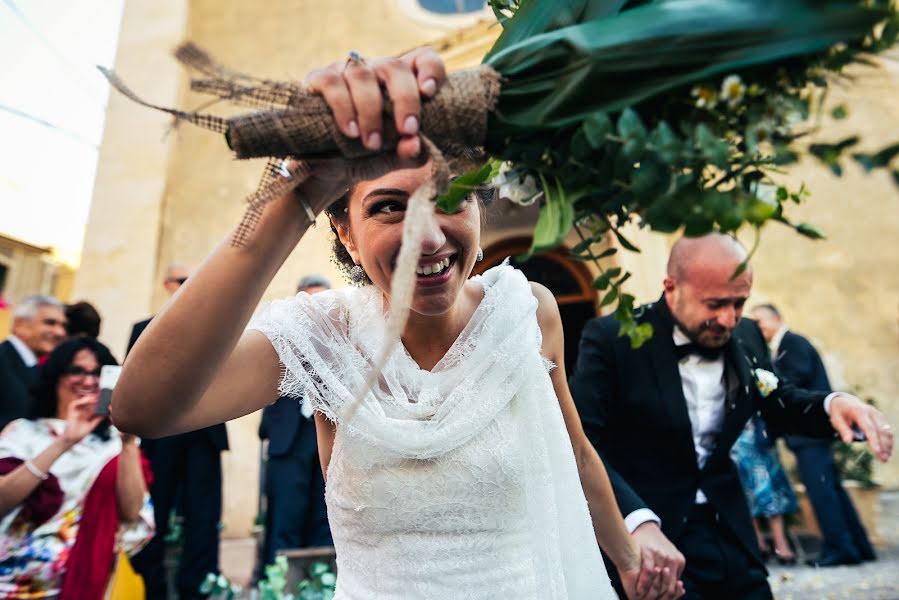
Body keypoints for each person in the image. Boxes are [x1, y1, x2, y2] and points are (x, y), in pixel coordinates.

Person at [111, 48, 680, 600]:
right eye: (388, 207)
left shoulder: (528, 311)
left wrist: (629, 561)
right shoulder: (322, 339)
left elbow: (575, 455)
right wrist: (298, 192)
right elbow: (144, 408)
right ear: (345, 234)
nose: (427, 238)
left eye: (451, 197)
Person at [569, 234, 894, 600]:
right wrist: (635, 523)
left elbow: (776, 399)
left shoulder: (748, 334)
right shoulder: (612, 337)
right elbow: (582, 443)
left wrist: (830, 404)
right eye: (715, 304)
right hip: (656, 542)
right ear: (671, 287)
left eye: (739, 303)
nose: (728, 318)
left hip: (733, 533)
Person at [0, 337, 154, 599]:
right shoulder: (23, 433)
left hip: (82, 581)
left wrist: (128, 443)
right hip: (11, 582)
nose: (88, 381)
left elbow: (130, 514)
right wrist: (65, 442)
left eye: (98, 373)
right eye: (77, 371)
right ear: (56, 377)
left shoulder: (114, 444)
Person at [128, 263, 229, 600]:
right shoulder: (143, 329)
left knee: (204, 516)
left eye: (194, 281)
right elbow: (135, 382)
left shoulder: (215, 328)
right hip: (163, 435)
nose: (189, 286)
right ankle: (151, 587)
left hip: (205, 431)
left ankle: (198, 588)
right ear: (167, 285)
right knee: (155, 511)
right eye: (183, 281)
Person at [751, 303, 876, 567]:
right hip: (813, 435)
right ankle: (859, 547)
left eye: (760, 322)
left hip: (809, 436)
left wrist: (770, 383)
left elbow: (793, 381)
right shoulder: (787, 345)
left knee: (822, 493)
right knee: (832, 490)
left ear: (776, 319)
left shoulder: (793, 344)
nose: (757, 328)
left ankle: (840, 550)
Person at [258, 275, 333, 569]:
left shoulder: (340, 341)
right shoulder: (278, 339)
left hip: (328, 436)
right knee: (284, 521)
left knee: (324, 522)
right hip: (289, 438)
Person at [729, 415, 799, 565]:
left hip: (758, 438)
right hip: (737, 440)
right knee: (746, 491)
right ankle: (762, 544)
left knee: (768, 491)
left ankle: (776, 546)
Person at [0, 295, 67, 430]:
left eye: (63, 326)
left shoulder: (36, 367)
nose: (60, 332)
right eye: (50, 323)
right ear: (20, 324)